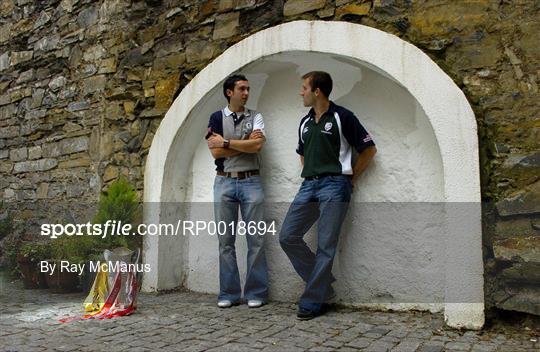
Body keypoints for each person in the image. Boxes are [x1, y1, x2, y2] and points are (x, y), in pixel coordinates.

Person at [279, 71, 377, 320]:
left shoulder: (343, 117)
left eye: (304, 88)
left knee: (326, 246)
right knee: (288, 236)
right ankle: (323, 286)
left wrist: (350, 178)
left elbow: (369, 149)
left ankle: (313, 300)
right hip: (308, 185)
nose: (301, 92)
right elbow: (303, 153)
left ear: (317, 91)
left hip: (335, 185)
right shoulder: (305, 122)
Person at [206, 74, 268, 308]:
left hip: (251, 181)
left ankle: (256, 293)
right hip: (224, 183)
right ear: (229, 92)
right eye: (242, 89)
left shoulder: (256, 117)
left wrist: (227, 142)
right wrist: (244, 145)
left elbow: (258, 146)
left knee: (257, 240)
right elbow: (215, 153)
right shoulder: (216, 117)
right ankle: (229, 294)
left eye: (248, 89)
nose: (246, 93)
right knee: (225, 242)